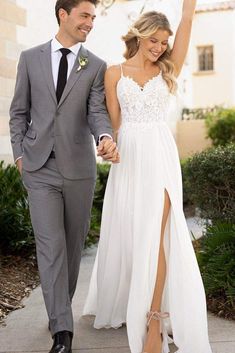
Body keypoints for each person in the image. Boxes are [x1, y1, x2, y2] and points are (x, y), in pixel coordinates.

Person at [83, 1, 212, 353]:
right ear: (139, 36)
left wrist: (189, 6)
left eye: (163, 43)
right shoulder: (114, 72)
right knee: (133, 232)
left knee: (159, 231)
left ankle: (155, 317)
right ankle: (130, 298)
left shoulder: (168, 68)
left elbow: (188, 19)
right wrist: (106, 144)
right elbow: (112, 123)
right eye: (153, 40)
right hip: (129, 158)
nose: (158, 48)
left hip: (160, 155)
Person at [9, 1, 119, 352]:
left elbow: (97, 112)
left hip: (79, 171)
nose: (90, 23)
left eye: (93, 17)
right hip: (38, 168)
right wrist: (20, 155)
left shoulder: (95, 65)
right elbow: (18, 113)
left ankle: (59, 312)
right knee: (51, 248)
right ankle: (62, 333)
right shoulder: (30, 58)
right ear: (64, 14)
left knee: (71, 248)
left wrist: (105, 137)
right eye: (84, 16)